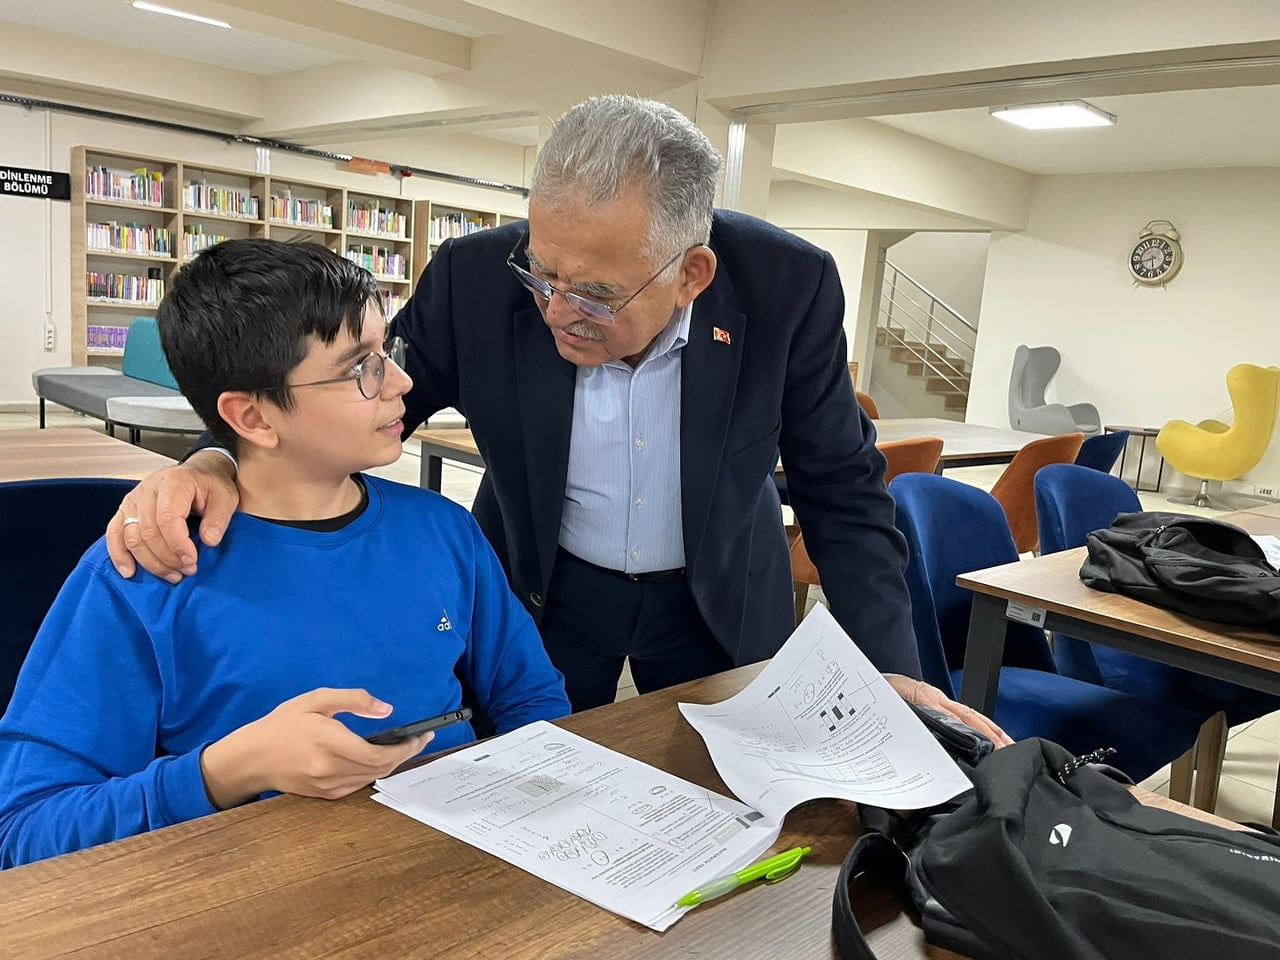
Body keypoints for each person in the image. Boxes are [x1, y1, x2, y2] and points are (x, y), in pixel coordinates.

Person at [103, 95, 1008, 745]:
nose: (558, 309)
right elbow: (340, 401)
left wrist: (892, 670)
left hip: (718, 597)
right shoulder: (475, 278)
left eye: (599, 292)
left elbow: (843, 493)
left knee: (732, 797)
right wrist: (218, 461)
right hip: (540, 589)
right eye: (545, 271)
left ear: (691, 273)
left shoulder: (785, 287)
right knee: (535, 768)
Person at [0, 240, 570, 868]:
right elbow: (26, 831)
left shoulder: (444, 532)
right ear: (252, 416)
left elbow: (533, 699)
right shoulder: (145, 572)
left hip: (452, 870)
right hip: (251, 889)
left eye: (389, 351)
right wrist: (226, 772)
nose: (403, 383)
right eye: (362, 368)